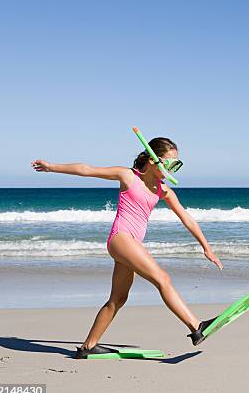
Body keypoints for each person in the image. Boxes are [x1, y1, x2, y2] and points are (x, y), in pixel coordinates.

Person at [31, 136, 223, 359]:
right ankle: (195, 327)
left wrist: (206, 247)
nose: (174, 168)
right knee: (162, 279)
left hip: (131, 244)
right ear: (153, 160)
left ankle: (88, 346)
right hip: (121, 239)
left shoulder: (164, 190)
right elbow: (86, 169)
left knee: (118, 299)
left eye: (177, 164)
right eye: (171, 163)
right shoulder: (128, 176)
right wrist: (51, 167)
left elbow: (187, 218)